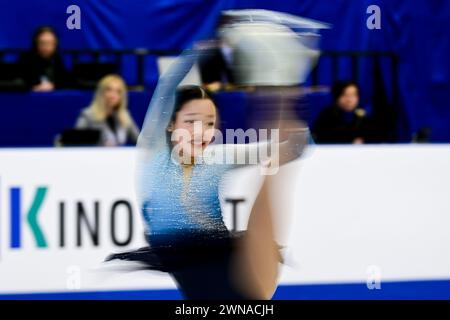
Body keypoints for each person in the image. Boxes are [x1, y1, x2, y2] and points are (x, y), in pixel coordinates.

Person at [105, 50, 310, 300]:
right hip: (178, 251)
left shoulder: (218, 159)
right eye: (191, 121)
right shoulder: (154, 151)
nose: (201, 131)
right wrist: (203, 47)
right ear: (170, 124)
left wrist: (296, 137)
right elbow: (167, 85)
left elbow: (279, 148)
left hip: (215, 249)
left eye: (210, 123)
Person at [75, 74, 140, 146]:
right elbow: (76, 142)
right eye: (109, 90)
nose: (113, 95)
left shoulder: (125, 115)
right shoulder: (87, 115)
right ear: (101, 92)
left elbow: (139, 140)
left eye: (118, 92)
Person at [18, 26, 69, 91]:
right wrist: (33, 88)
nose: (46, 47)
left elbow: (65, 82)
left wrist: (54, 86)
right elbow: (20, 83)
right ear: (36, 43)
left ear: (55, 44)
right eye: (42, 43)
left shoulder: (57, 60)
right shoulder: (26, 60)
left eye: (49, 43)